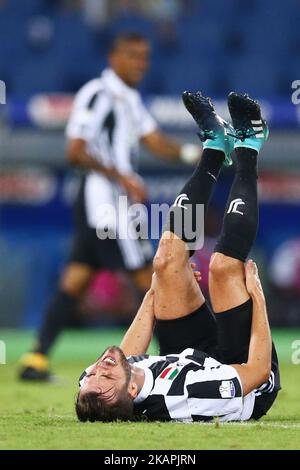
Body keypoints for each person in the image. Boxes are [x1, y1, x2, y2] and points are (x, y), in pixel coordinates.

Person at [75, 91, 281, 423]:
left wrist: (159, 288)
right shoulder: (189, 395)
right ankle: (249, 146)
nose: (99, 368)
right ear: (130, 392)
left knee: (167, 262)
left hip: (194, 357)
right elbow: (256, 372)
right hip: (244, 374)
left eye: (93, 374)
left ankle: (215, 147)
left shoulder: (95, 388)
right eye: (106, 375)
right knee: (223, 268)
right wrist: (258, 298)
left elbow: (127, 357)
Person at [19, 32, 200, 381]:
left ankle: (35, 360)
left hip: (103, 205)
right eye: (133, 56)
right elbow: (75, 150)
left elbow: (155, 141)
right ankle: (178, 362)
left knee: (75, 281)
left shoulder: (128, 99)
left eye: (145, 57)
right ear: (113, 58)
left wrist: (196, 153)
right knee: (153, 276)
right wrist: (124, 177)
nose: (140, 64)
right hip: (106, 206)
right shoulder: (98, 95)